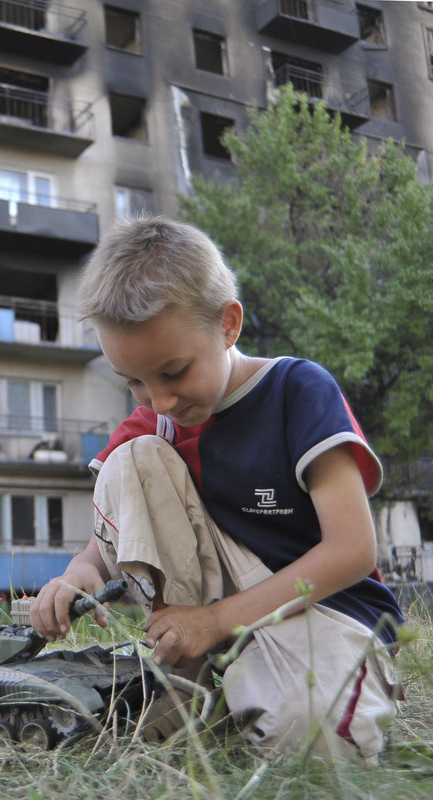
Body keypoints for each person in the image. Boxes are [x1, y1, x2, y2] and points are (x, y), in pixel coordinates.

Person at [30, 215, 403, 761]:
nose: (157, 400)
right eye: (132, 381)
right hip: (209, 622)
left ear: (228, 324)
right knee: (130, 457)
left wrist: (217, 621)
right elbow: (101, 546)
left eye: (174, 372)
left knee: (317, 745)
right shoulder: (152, 427)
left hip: (325, 609)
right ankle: (193, 676)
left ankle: (258, 691)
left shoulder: (296, 391)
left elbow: (352, 551)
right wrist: (78, 575)